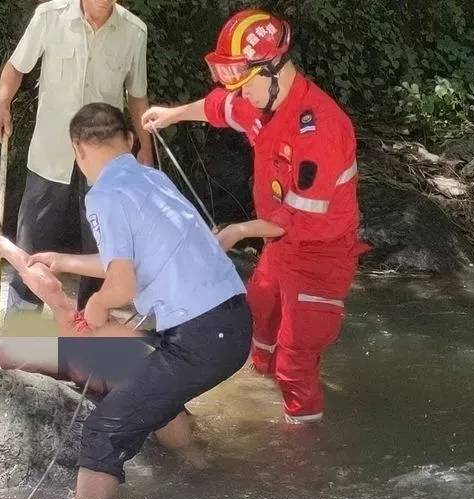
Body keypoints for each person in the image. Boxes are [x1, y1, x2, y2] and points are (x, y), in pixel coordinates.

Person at [0, 102, 251, 499]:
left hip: (198, 335)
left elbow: (117, 285)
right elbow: (135, 262)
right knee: (147, 388)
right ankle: (208, 478)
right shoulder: (152, 179)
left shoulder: (105, 194)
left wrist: (96, 305)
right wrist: (67, 262)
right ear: (129, 140)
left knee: (103, 432)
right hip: (231, 322)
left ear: (78, 149)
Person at [142, 9, 369, 424]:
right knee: (258, 325)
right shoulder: (263, 102)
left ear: (274, 70)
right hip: (279, 248)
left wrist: (239, 231)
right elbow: (222, 107)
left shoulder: (319, 130)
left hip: (321, 256)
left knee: (295, 361)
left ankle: (300, 457)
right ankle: (261, 402)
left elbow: (297, 218)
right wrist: (172, 114)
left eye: (245, 86)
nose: (239, 95)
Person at [0, 0, 152, 312]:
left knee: (103, 251)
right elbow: (16, 67)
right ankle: (21, 341)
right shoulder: (49, 16)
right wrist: (2, 104)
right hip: (50, 156)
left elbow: (137, 96)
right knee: (31, 246)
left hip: (105, 165)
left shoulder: (134, 31)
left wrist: (146, 148)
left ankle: (87, 338)